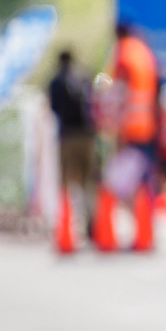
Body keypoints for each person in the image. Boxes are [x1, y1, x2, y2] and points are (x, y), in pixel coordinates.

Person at [106, 20, 161, 251]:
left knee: (119, 183)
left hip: (131, 130)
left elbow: (119, 93)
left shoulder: (123, 55)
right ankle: (146, 234)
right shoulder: (145, 53)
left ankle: (136, 234)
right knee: (144, 183)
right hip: (148, 128)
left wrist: (114, 129)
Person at [47, 48, 99, 250]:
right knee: (88, 182)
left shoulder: (57, 81)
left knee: (66, 183)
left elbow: (53, 108)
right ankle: (91, 225)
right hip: (88, 136)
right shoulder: (85, 76)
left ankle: (66, 228)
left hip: (67, 136)